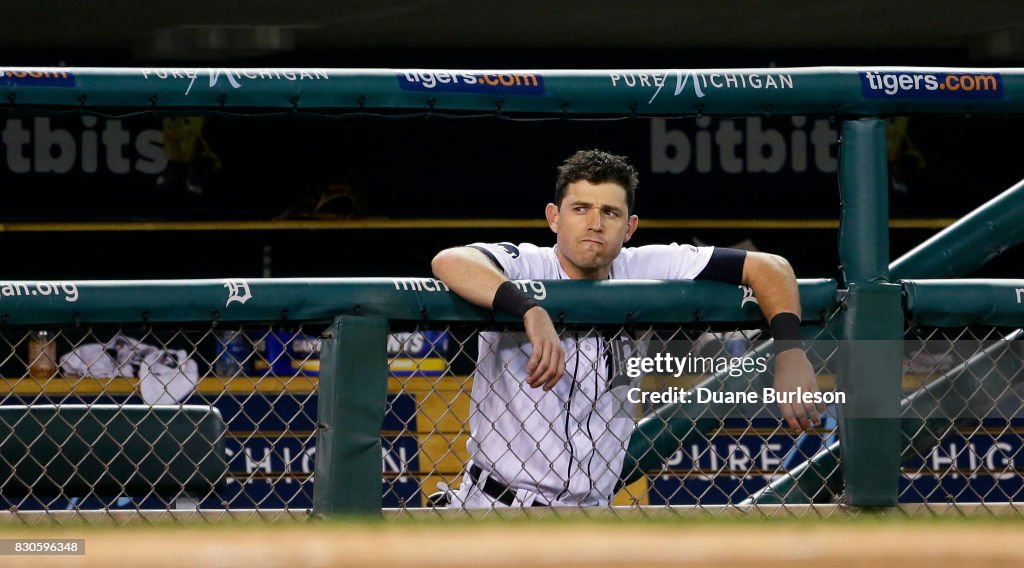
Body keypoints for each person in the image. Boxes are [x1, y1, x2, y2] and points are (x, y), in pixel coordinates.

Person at [431, 149, 822, 508]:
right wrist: (529, 310)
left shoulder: (644, 268)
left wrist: (790, 351)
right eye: (580, 208)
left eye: (610, 213)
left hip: (594, 517)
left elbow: (770, 267)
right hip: (499, 508)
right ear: (554, 217)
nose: (595, 224)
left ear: (630, 226)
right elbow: (450, 261)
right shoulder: (525, 266)